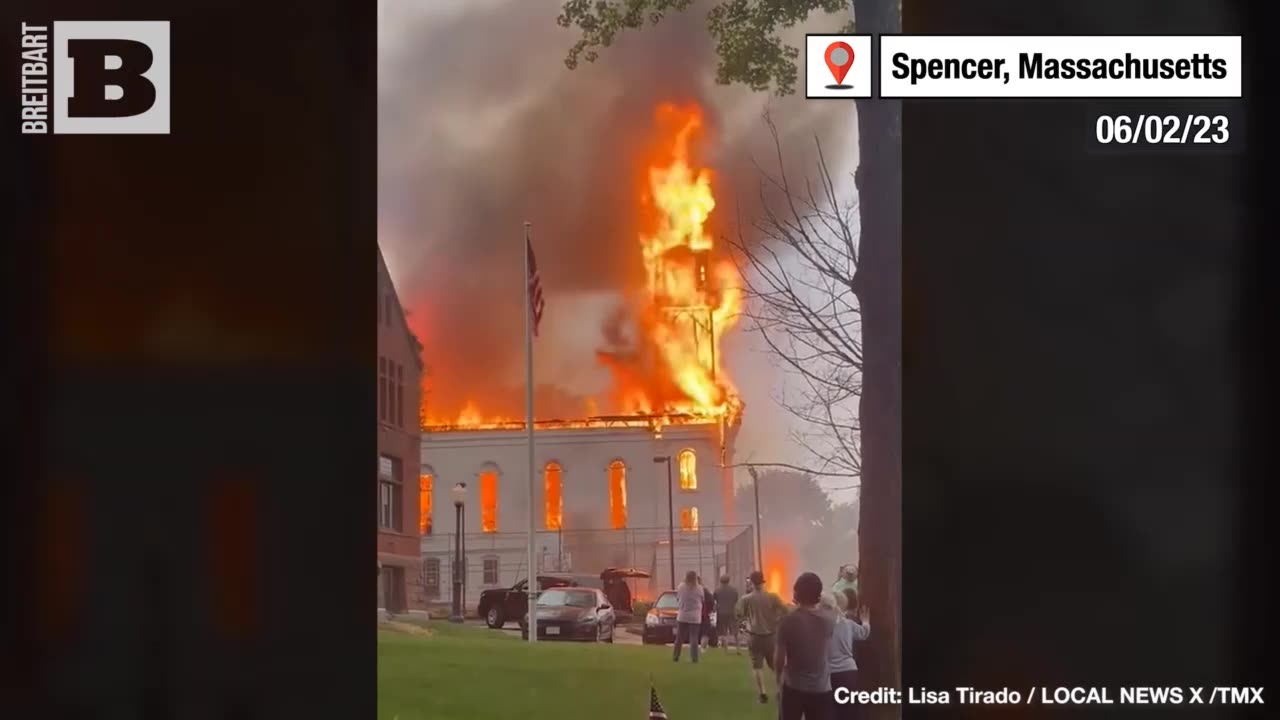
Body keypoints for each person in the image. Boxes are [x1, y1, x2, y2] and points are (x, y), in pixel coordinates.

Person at [774, 572, 836, 720]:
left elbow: (780, 657)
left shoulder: (787, 621)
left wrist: (778, 679)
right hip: (822, 687)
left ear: (796, 593)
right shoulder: (829, 620)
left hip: (794, 686)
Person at [735, 570, 789, 704]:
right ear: (763, 581)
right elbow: (785, 610)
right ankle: (781, 691)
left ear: (751, 583)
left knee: (757, 666)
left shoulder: (746, 599)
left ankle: (762, 693)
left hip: (754, 635)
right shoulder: (773, 597)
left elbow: (739, 614)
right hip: (771, 635)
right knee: (776, 666)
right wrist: (777, 620)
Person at [824, 590, 870, 719]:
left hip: (828, 674)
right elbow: (864, 633)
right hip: (849, 672)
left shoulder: (821, 625)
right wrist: (865, 621)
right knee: (851, 711)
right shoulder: (848, 624)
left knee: (832, 711)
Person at [672, 570, 704, 663]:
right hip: (695, 616)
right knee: (694, 637)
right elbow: (702, 599)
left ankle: (675, 657)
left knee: (679, 638)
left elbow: (678, 598)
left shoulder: (681, 586)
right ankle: (694, 658)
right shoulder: (699, 588)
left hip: (683, 615)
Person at [714, 574, 741, 653]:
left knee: (723, 632)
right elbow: (736, 600)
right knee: (736, 631)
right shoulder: (734, 590)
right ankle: (738, 649)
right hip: (732, 612)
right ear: (729, 580)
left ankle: (726, 650)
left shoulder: (717, 590)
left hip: (721, 613)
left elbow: (715, 600)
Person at [700, 580, 717, 648]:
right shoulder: (705, 592)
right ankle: (703, 649)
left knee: (694, 634)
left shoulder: (688, 591)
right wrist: (710, 610)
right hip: (704, 615)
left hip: (693, 616)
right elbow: (712, 603)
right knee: (705, 633)